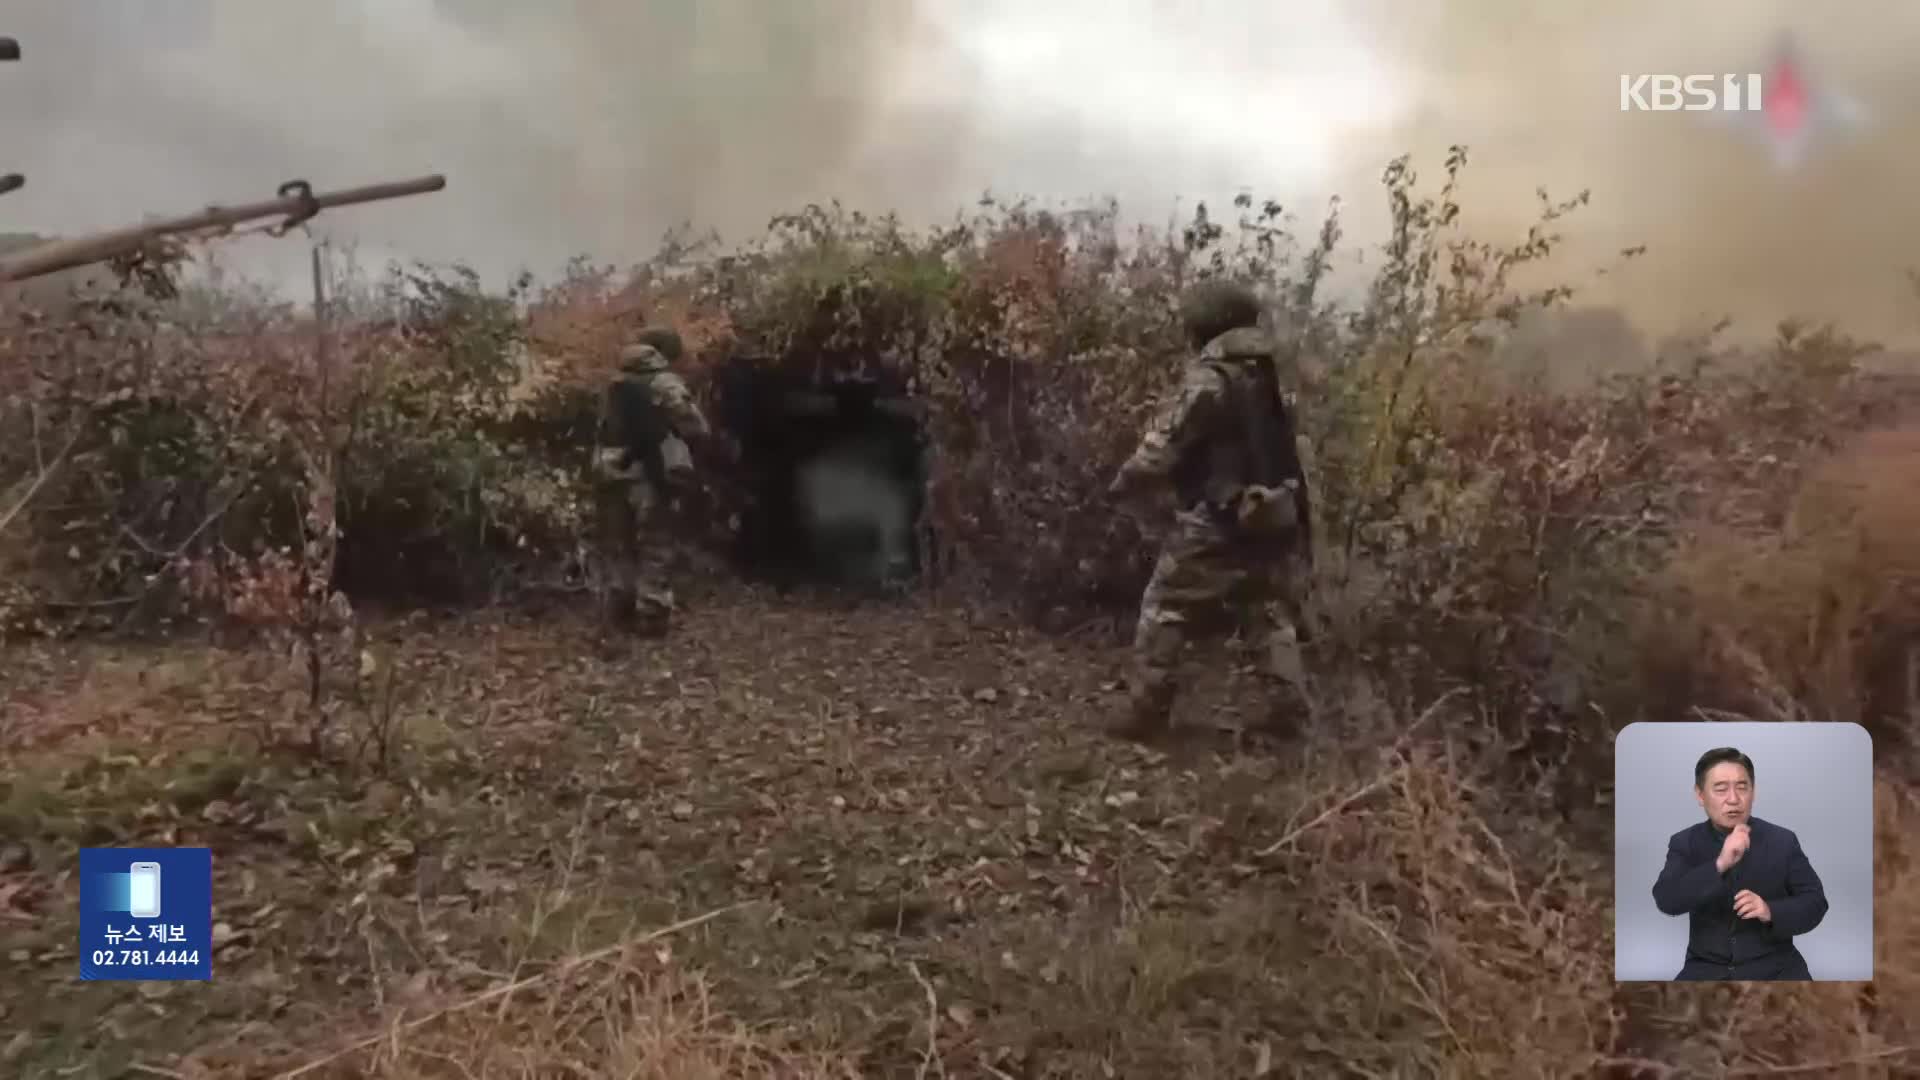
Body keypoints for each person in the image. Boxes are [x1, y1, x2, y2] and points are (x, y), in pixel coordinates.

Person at [1104, 280, 1314, 742]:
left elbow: (1163, 448)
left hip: (1221, 518)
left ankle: (1145, 712)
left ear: (1206, 325)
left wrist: (1123, 483)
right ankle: (1289, 714)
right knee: (1264, 612)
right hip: (1273, 513)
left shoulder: (1212, 378)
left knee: (1165, 605)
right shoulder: (1274, 375)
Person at [1651, 746, 1829, 980]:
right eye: (1721, 789)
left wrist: (1770, 911)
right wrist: (1720, 864)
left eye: (1742, 787)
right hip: (1706, 967)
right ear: (1700, 794)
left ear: (1753, 792)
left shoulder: (1782, 840)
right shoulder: (1685, 842)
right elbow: (1667, 900)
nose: (1733, 799)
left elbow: (1816, 903)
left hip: (1776, 968)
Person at [592, 327, 712, 636]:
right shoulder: (664, 381)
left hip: (609, 471)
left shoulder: (613, 383)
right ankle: (652, 617)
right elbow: (694, 425)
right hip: (648, 472)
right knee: (655, 544)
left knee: (619, 544)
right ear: (665, 353)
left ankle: (618, 613)